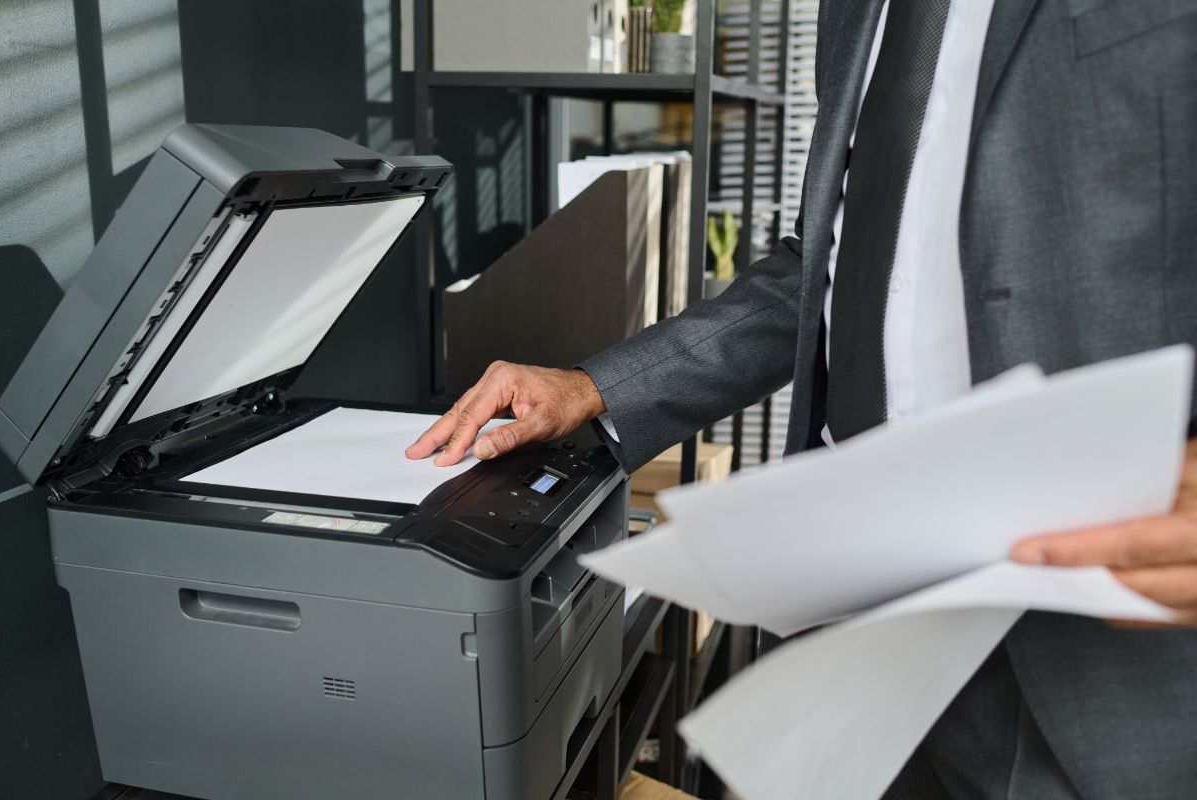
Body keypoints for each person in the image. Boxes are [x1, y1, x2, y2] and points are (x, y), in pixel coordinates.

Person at [408, 1, 1197, 796]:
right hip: (857, 620)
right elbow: (816, 271)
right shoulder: (853, 12)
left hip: (1096, 638)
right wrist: (593, 388)